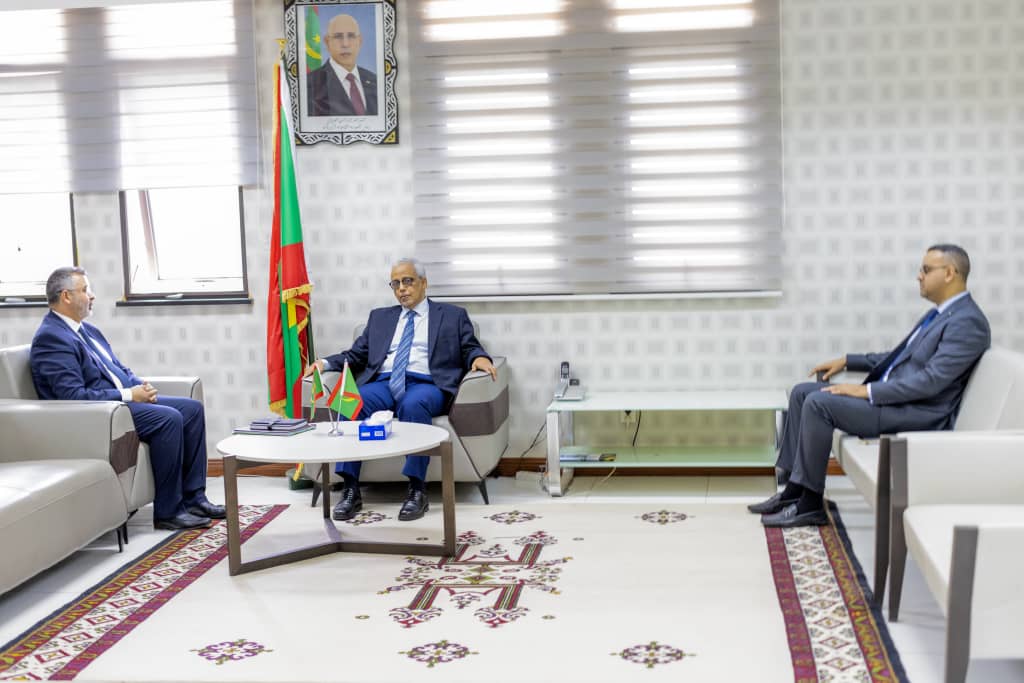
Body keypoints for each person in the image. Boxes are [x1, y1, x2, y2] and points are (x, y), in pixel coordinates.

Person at [749, 244, 991, 527]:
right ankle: (792, 491)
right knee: (802, 393)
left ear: (949, 273)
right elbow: (899, 358)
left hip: (917, 412)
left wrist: (866, 391)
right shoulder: (940, 315)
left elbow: (931, 381)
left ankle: (810, 504)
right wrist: (848, 361)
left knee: (819, 403)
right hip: (898, 401)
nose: (919, 276)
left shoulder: (968, 322)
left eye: (926, 270)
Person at [29, 267, 225, 531]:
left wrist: (140, 385)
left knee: (192, 410)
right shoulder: (51, 338)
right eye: (85, 290)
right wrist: (130, 395)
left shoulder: (88, 331)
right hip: (99, 413)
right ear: (66, 296)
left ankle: (195, 499)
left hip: (121, 403)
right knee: (169, 419)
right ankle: (169, 511)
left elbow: (118, 369)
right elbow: (72, 396)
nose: (92, 296)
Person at [305, 257, 496, 522]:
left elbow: (469, 347)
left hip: (426, 383)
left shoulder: (452, 316)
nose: (401, 289)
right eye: (395, 284)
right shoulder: (380, 318)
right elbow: (357, 355)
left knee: (413, 405)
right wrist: (325, 363)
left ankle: (417, 490)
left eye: (407, 281)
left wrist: (480, 357)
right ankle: (350, 489)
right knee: (350, 401)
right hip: (384, 383)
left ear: (424, 283)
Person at [306, 13, 378, 117]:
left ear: (360, 41)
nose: (345, 44)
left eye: (351, 36)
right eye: (338, 36)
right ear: (327, 42)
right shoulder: (310, 84)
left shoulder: (375, 81)